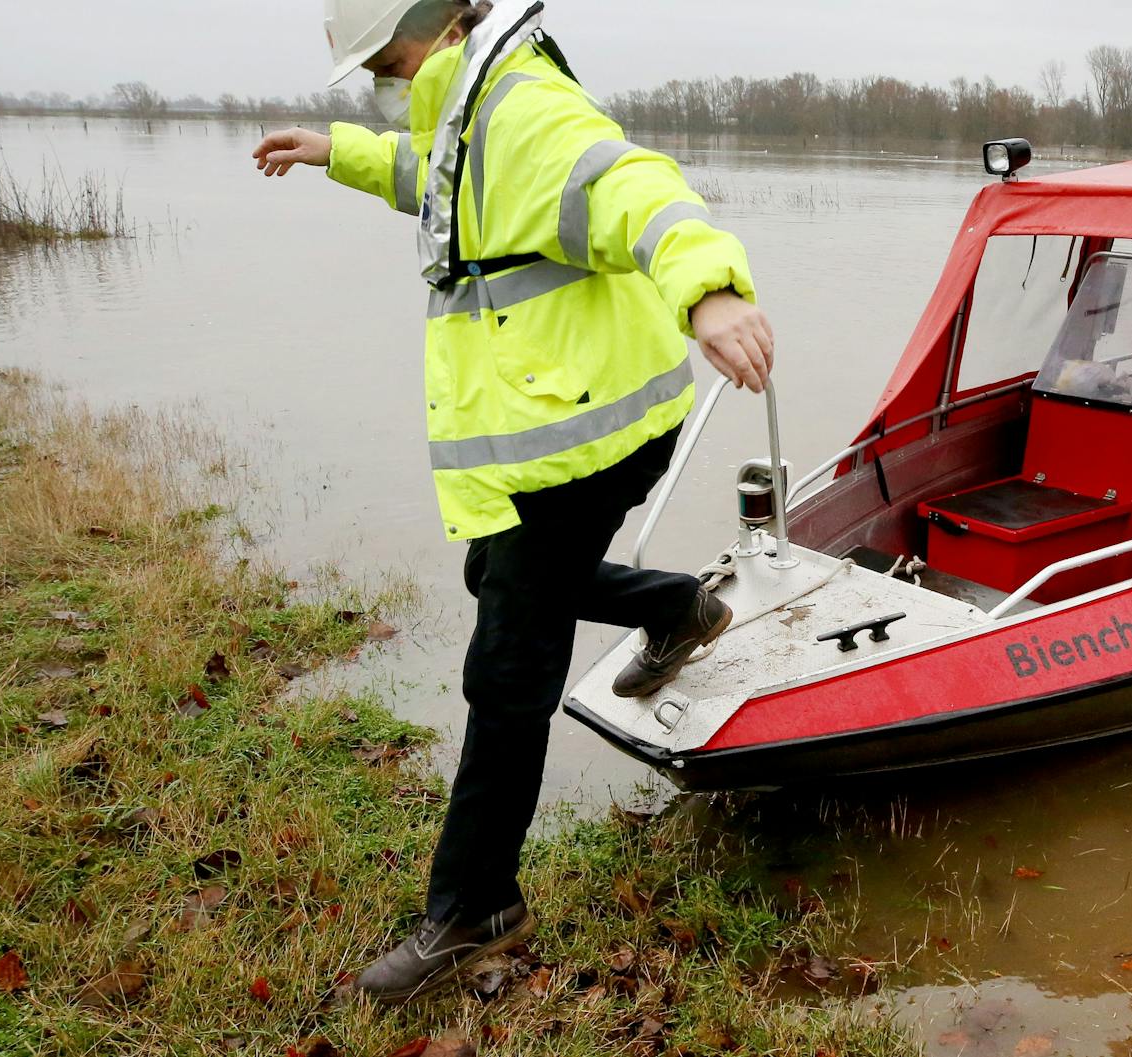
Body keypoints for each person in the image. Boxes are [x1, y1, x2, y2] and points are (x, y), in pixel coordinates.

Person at [250, 0, 776, 1001]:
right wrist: (336, 152)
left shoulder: (522, 106)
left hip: (589, 436)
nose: (386, 86)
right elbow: (436, 185)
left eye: (390, 66)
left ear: (441, 30)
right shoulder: (467, 109)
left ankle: (476, 903)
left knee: (507, 663)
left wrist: (709, 289)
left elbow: (632, 187)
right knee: (493, 571)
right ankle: (676, 606)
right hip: (567, 426)